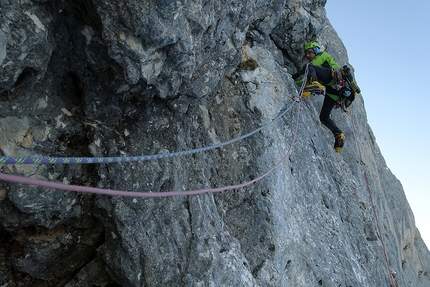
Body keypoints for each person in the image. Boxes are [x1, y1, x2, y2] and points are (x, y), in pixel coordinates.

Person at [293, 41, 354, 152]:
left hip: (332, 77)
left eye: (309, 53)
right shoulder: (318, 60)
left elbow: (309, 69)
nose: (307, 55)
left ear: (315, 50)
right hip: (334, 89)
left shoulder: (322, 55)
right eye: (306, 54)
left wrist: (293, 77)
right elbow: (307, 75)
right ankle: (338, 134)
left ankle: (316, 85)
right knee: (324, 117)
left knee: (308, 66)